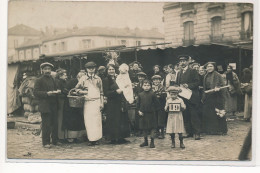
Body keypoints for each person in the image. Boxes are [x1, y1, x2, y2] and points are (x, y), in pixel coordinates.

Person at [75, 61, 104, 146]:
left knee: (97, 121)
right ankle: (91, 139)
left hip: (97, 101)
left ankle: (97, 138)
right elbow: (76, 89)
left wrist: (102, 103)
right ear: (86, 69)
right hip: (88, 102)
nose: (91, 70)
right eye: (89, 68)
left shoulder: (98, 79)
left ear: (95, 69)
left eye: (93, 68)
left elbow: (101, 92)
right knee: (89, 121)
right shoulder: (83, 78)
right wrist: (82, 92)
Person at [33, 62, 60, 148]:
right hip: (45, 105)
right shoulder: (39, 80)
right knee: (46, 125)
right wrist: (47, 93)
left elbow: (55, 89)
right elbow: (35, 93)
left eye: (49, 69)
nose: (47, 71)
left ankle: (55, 141)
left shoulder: (53, 79)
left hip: (53, 104)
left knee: (55, 124)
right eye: (45, 69)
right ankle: (46, 142)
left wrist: (57, 91)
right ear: (42, 70)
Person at [103, 64, 130, 144]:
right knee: (114, 120)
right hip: (112, 103)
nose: (111, 71)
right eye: (109, 69)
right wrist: (115, 92)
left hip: (121, 101)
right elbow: (106, 92)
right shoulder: (106, 80)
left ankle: (121, 137)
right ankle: (113, 138)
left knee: (122, 119)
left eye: (113, 69)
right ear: (107, 71)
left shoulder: (119, 78)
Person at [176, 55, 201, 140]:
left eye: (184, 61)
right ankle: (189, 132)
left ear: (187, 62)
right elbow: (177, 83)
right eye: (181, 61)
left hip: (192, 96)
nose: (182, 63)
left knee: (194, 115)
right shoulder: (179, 73)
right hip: (183, 97)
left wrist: (189, 85)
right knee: (185, 115)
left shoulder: (193, 71)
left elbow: (197, 82)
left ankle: (197, 133)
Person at [202, 62, 227, 135]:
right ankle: (212, 130)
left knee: (219, 112)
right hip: (208, 95)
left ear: (214, 67)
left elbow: (223, 85)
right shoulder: (205, 75)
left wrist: (218, 88)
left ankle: (222, 130)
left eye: (211, 66)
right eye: (208, 67)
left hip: (217, 96)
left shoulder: (218, 75)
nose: (209, 68)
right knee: (210, 113)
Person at [62, 71, 86, 143]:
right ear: (78, 77)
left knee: (78, 121)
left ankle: (77, 136)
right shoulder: (72, 81)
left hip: (79, 105)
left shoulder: (83, 83)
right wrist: (73, 93)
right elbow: (65, 90)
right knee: (71, 121)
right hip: (70, 105)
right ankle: (70, 137)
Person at [136, 79, 160, 148]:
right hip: (143, 114)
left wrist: (154, 111)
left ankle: (152, 142)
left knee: (152, 128)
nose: (146, 87)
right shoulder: (140, 95)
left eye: (148, 85)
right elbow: (137, 105)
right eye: (145, 85)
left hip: (151, 114)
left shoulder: (153, 94)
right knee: (144, 128)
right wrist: (139, 111)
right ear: (142, 86)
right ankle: (145, 141)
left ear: (150, 86)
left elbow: (157, 104)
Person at [151, 75, 167, 139]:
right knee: (155, 118)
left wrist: (159, 96)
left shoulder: (163, 87)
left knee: (161, 119)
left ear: (160, 80)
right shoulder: (151, 87)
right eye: (154, 80)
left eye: (157, 80)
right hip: (154, 105)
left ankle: (162, 133)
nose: (156, 81)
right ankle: (157, 132)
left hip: (161, 105)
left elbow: (164, 95)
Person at [55, 68, 68, 142]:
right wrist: (66, 93)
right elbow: (60, 92)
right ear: (60, 76)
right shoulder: (58, 82)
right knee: (60, 118)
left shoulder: (63, 82)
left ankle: (62, 136)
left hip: (63, 101)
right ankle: (60, 136)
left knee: (63, 118)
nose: (66, 76)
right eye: (65, 75)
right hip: (60, 102)